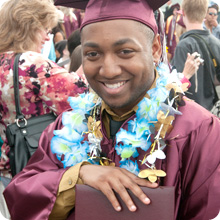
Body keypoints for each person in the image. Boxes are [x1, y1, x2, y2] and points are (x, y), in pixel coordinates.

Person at [4, 0, 220, 220]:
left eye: (125, 51)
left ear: (155, 49)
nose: (108, 70)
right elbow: (21, 195)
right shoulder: (66, 127)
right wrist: (78, 176)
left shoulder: (198, 131)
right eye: (92, 55)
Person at [0, 0, 88, 213]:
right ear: (28, 26)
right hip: (36, 164)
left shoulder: (3, 61)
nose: (48, 37)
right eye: (44, 29)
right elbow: (81, 96)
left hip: (7, 162)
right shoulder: (32, 63)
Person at [172, 0, 220, 111]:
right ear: (204, 15)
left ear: (183, 13)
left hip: (190, 114)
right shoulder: (217, 43)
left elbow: (177, 87)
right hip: (212, 112)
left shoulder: (184, 45)